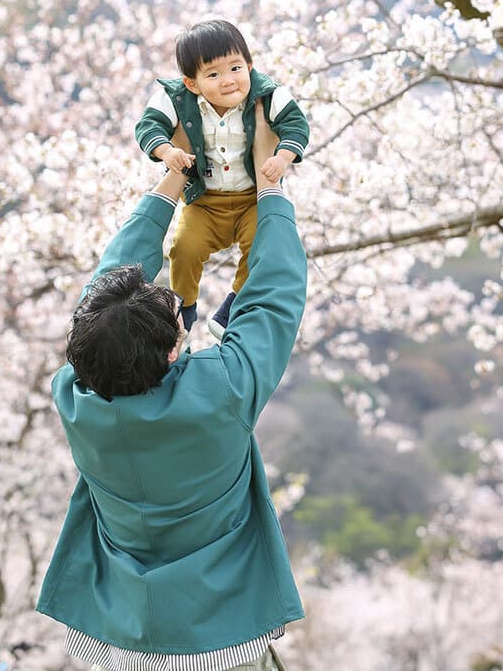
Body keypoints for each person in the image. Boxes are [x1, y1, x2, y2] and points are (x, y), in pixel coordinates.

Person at [37, 104, 308, 671]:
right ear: (171, 350)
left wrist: (173, 179)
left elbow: (103, 299)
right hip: (225, 636)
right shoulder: (223, 390)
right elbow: (273, 297)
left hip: (113, 634)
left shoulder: (75, 397)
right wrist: (270, 188)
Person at [135, 19, 309, 338]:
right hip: (204, 202)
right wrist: (166, 151)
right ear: (192, 83)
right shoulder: (176, 99)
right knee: (183, 249)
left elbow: (296, 124)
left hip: (250, 199)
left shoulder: (268, 94)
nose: (228, 81)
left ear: (249, 65)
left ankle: (234, 302)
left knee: (264, 246)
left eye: (235, 68)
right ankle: (184, 307)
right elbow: (148, 126)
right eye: (213, 74)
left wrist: (282, 156)